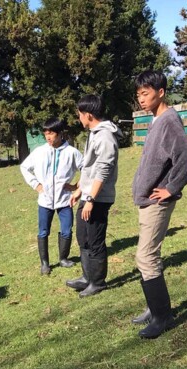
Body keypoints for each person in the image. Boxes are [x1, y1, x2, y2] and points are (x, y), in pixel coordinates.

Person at [131, 70, 187, 339]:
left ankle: (162, 317)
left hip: (157, 201)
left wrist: (171, 188)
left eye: (145, 94)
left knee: (146, 257)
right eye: (138, 95)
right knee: (144, 256)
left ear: (161, 92)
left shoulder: (169, 120)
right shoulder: (156, 120)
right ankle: (154, 307)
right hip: (146, 199)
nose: (141, 100)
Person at [66, 95, 122, 298]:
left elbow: (103, 170)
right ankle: (86, 276)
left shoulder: (105, 136)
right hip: (88, 195)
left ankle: (97, 282)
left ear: (88, 114)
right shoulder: (93, 133)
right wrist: (80, 190)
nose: (78, 118)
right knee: (83, 237)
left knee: (95, 239)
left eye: (79, 114)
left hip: (98, 198)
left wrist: (90, 199)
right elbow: (89, 168)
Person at [20, 117, 83, 275]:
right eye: (45, 133)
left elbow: (87, 170)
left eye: (51, 133)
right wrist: (36, 185)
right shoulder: (40, 152)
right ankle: (45, 263)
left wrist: (76, 187)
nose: (48, 137)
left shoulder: (72, 153)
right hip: (45, 201)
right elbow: (24, 167)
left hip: (65, 200)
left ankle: (63, 258)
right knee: (43, 232)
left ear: (60, 133)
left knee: (67, 230)